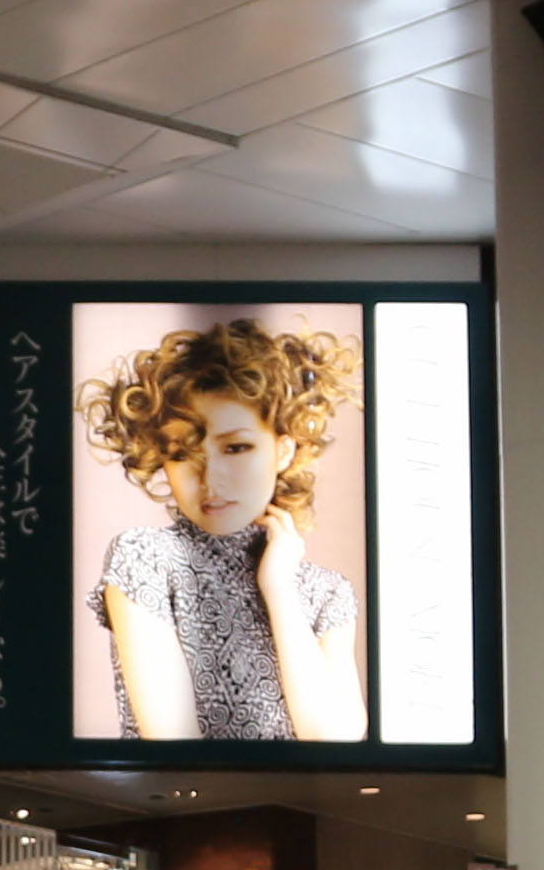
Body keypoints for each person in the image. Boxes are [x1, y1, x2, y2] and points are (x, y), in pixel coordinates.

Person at [85, 317, 367, 743]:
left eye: (236, 447)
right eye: (182, 453)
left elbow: (334, 739)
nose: (210, 478)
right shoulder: (147, 558)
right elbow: (173, 745)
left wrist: (279, 588)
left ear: (283, 449)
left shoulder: (326, 592)